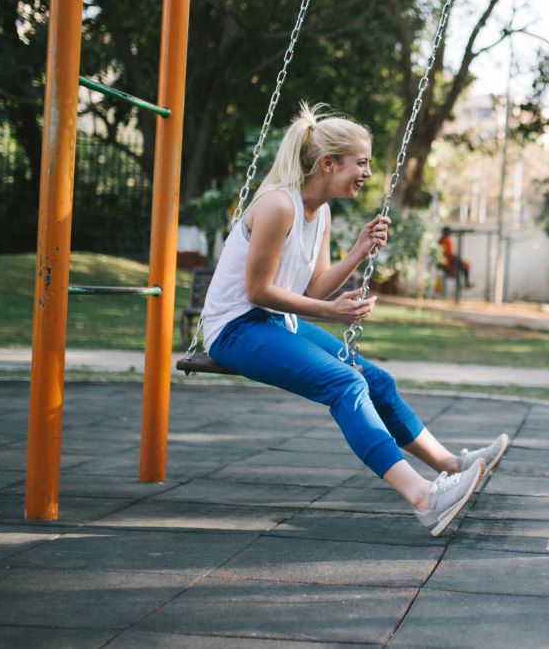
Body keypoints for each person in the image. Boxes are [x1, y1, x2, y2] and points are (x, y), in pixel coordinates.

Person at [201, 103, 509, 537]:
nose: (366, 172)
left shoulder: (320, 212)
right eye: (360, 162)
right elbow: (257, 291)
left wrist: (359, 250)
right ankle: (423, 498)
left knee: (376, 380)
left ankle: (452, 465)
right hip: (235, 328)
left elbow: (314, 288)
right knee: (345, 383)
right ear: (328, 163)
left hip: (273, 324)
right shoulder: (277, 205)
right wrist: (330, 313)